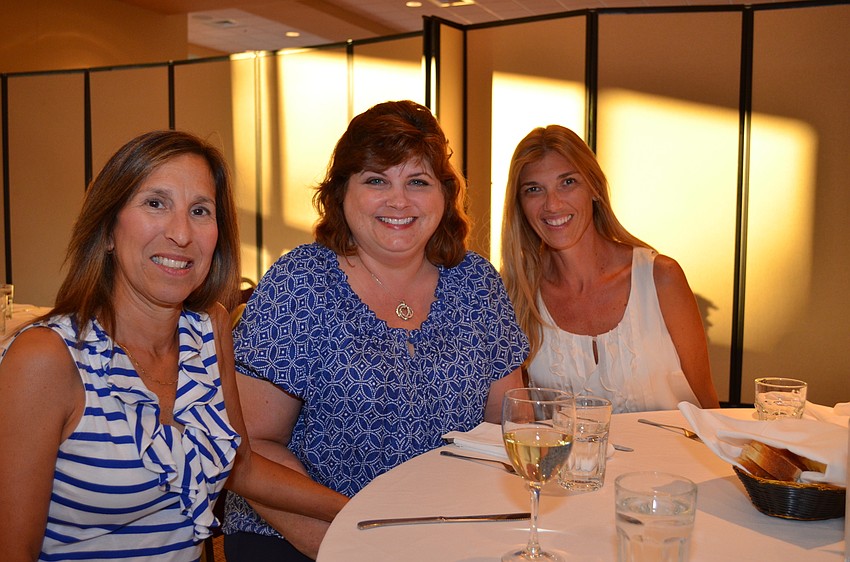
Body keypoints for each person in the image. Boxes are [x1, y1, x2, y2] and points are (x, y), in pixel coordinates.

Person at [0, 130, 347, 562]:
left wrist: (359, 510)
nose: (181, 234)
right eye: (155, 203)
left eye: (200, 210)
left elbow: (243, 466)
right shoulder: (46, 359)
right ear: (107, 230)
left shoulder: (210, 330)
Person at [223, 100, 529, 560]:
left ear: (444, 196)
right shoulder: (302, 283)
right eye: (376, 180)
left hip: (444, 533)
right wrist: (349, 542)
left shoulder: (476, 282)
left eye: (418, 182)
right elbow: (255, 448)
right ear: (341, 193)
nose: (399, 201)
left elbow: (510, 423)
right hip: (303, 534)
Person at [500, 125, 720, 413]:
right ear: (520, 204)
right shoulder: (517, 296)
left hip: (672, 458)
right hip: (565, 460)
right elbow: (520, 419)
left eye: (568, 182)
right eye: (534, 190)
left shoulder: (661, 278)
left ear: (594, 188)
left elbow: (707, 404)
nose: (552, 204)